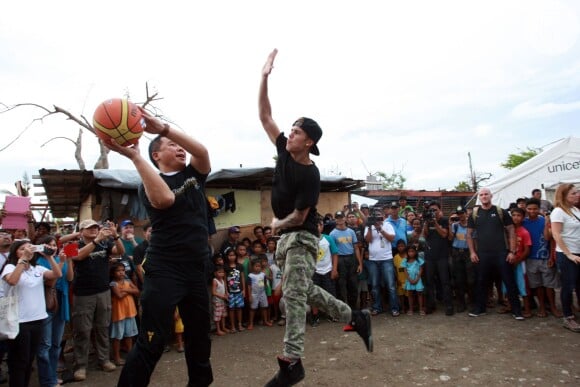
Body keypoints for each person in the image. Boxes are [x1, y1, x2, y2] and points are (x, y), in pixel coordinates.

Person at [259, 48, 372, 386]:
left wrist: (277, 223)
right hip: (286, 240)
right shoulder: (283, 150)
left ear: (308, 141)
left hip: (302, 237)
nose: (288, 133)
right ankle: (356, 317)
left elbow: (300, 216)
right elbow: (265, 116)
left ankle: (292, 361)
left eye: (295, 131)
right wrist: (264, 77)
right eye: (290, 130)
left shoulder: (310, 174)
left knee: (293, 295)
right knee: (304, 290)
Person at [105, 109, 214, 386]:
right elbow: (165, 200)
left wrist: (164, 130)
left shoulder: (194, 175)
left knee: (200, 337)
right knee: (152, 339)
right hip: (165, 270)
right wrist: (135, 156)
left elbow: (201, 152)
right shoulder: (149, 185)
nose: (180, 149)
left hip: (197, 269)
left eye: (180, 146)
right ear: (156, 156)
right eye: (171, 147)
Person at [1, 239, 62, 387]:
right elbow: (13, 281)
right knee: (19, 361)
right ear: (15, 253)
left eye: (29, 249)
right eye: (22, 249)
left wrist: (49, 257)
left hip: (38, 319)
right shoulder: (10, 267)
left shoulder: (37, 269)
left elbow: (57, 274)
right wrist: (23, 260)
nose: (27, 251)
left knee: (29, 360)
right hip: (19, 321)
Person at [72, 219, 124, 381]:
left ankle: (104, 359)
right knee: (83, 330)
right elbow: (78, 257)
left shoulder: (105, 243)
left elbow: (119, 252)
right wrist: (96, 240)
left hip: (103, 291)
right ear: (81, 231)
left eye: (95, 227)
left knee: (103, 327)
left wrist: (116, 237)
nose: (94, 229)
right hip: (83, 294)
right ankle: (81, 365)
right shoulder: (73, 245)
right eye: (89, 228)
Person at [467, 188, 524, 320]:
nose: (484, 196)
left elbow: (511, 231)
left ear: (491, 196)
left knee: (509, 281)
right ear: (479, 197)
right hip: (482, 254)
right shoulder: (475, 214)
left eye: (486, 194)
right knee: (481, 282)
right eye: (481, 195)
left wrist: (512, 251)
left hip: (501, 253)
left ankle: (516, 310)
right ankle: (480, 308)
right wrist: (472, 252)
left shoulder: (500, 212)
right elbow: (469, 234)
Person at [36, 235, 73, 387]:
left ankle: (51, 376)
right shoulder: (38, 262)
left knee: (56, 344)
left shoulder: (60, 259)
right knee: (45, 345)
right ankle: (47, 380)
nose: (52, 247)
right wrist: (61, 262)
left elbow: (69, 278)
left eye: (54, 245)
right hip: (46, 304)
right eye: (48, 245)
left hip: (61, 301)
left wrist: (68, 261)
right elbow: (51, 281)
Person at [549, 184, 580, 332]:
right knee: (568, 286)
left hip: (577, 253)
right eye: (573, 193)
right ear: (564, 195)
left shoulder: (574, 210)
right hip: (567, 254)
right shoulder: (558, 212)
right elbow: (556, 234)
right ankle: (568, 317)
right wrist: (569, 254)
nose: (577, 195)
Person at [523, 198, 561, 318]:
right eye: (529, 209)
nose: (532, 211)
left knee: (549, 285)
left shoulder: (545, 221)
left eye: (535, 209)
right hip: (530, 259)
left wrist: (551, 256)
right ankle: (542, 307)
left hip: (545, 258)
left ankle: (553, 307)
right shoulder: (523, 222)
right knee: (537, 286)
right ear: (526, 209)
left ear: (539, 209)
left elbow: (550, 240)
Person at [364, 211, 399, 316]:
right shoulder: (368, 226)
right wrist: (370, 227)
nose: (378, 220)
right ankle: (377, 307)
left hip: (386, 259)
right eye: (376, 218)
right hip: (373, 260)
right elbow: (368, 240)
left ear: (383, 217)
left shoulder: (388, 225)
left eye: (379, 217)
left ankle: (394, 308)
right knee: (375, 285)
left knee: (391, 285)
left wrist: (380, 229)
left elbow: (392, 238)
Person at [422, 201, 454, 316]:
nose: (433, 212)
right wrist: (426, 222)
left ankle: (449, 305)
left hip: (442, 256)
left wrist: (435, 223)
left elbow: (444, 234)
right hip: (430, 256)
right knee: (429, 282)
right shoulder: (427, 220)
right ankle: (431, 305)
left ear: (440, 210)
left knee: (445, 282)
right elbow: (425, 235)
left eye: (435, 210)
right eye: (431, 210)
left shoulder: (444, 220)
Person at [109, 262, 140, 367]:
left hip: (129, 312)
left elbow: (137, 291)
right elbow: (119, 295)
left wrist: (126, 289)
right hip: (119, 313)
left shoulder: (127, 281)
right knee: (117, 336)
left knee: (129, 335)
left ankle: (130, 356)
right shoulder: (113, 284)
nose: (121, 272)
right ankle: (116, 357)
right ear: (113, 273)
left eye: (122, 270)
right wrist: (130, 291)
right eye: (118, 271)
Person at [330, 211, 362, 309]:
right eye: (338, 218)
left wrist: (360, 264)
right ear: (335, 220)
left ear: (345, 219)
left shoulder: (351, 232)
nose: (340, 220)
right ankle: (342, 309)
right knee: (341, 285)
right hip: (340, 260)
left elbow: (356, 248)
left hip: (351, 259)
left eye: (341, 217)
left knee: (353, 284)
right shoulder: (333, 234)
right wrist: (334, 268)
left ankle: (353, 308)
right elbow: (333, 252)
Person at [310, 217, 339, 327]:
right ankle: (315, 315)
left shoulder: (328, 239)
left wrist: (334, 269)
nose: (316, 227)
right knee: (314, 295)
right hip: (314, 272)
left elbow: (335, 254)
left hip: (327, 270)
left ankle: (332, 314)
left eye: (319, 225)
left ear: (322, 227)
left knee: (330, 293)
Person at [448, 206, 473, 312]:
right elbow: (450, 238)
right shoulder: (455, 225)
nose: (460, 215)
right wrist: (450, 225)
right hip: (457, 253)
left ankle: (472, 301)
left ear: (466, 213)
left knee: (471, 279)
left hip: (468, 253)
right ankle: (461, 303)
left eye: (462, 213)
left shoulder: (471, 226)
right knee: (459, 279)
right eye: (458, 214)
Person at [225, 247, 246, 333]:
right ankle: (233, 326)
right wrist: (226, 291)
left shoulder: (239, 266)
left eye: (233, 255)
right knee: (231, 309)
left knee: (239, 308)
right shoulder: (225, 267)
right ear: (227, 256)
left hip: (239, 291)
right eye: (230, 255)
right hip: (230, 292)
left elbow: (242, 278)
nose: (232, 257)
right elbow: (224, 279)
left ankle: (240, 324)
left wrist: (244, 289)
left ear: (236, 256)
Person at [247, 258, 271, 330]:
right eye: (256, 266)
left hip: (262, 293)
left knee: (264, 307)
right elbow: (249, 286)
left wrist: (266, 284)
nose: (258, 268)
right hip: (254, 294)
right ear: (252, 267)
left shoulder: (262, 274)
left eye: (259, 266)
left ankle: (265, 321)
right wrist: (250, 295)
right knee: (253, 309)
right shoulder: (250, 275)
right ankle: (251, 323)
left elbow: (263, 283)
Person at [401, 245, 425, 315]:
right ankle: (411, 309)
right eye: (409, 251)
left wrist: (417, 279)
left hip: (418, 279)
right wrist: (409, 279)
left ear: (415, 252)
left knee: (419, 294)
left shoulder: (418, 260)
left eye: (412, 251)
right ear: (407, 252)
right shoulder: (405, 260)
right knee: (410, 294)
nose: (411, 253)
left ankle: (421, 309)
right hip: (409, 279)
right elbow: (405, 271)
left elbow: (421, 269)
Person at [211, 265, 229, 336]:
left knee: (223, 315)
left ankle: (223, 327)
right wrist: (222, 296)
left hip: (222, 300)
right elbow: (213, 292)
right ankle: (218, 330)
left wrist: (227, 294)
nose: (221, 274)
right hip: (217, 301)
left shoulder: (222, 280)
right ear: (215, 273)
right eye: (219, 272)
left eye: (222, 272)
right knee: (217, 316)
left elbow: (225, 288)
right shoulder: (215, 281)